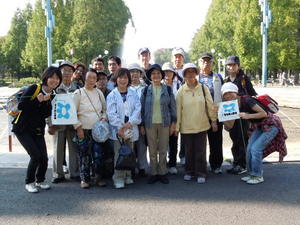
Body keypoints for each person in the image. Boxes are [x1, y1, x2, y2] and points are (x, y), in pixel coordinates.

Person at [221, 82, 287, 184]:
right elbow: (229, 124)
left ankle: (258, 175)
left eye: (230, 92)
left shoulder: (247, 100)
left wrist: (247, 116)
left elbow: (263, 113)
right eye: (225, 94)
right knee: (249, 149)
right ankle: (251, 173)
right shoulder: (233, 105)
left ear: (236, 92)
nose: (228, 95)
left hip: (271, 125)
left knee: (256, 149)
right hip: (260, 126)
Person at [12, 66, 62, 193]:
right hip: (23, 129)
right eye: (52, 77)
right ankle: (29, 182)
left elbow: (45, 114)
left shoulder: (53, 95)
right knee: (35, 156)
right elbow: (22, 105)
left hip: (38, 130)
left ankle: (40, 180)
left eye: (57, 78)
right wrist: (37, 100)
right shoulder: (35, 88)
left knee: (44, 157)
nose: (55, 81)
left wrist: (45, 103)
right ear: (46, 77)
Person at [176, 63, 217, 184]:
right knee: (188, 151)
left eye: (192, 72)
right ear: (184, 75)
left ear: (196, 73)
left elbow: (210, 105)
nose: (190, 74)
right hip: (187, 126)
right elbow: (178, 110)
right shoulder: (181, 91)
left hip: (202, 124)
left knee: (200, 150)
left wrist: (213, 120)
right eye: (187, 72)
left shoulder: (204, 88)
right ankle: (189, 171)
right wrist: (177, 127)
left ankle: (201, 172)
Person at [140, 64, 177, 184]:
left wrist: (173, 124)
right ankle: (153, 173)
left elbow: (173, 108)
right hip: (149, 123)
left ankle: (162, 172)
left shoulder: (168, 89)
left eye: (158, 73)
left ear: (161, 75)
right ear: (150, 76)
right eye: (153, 74)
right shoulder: (145, 90)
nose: (156, 76)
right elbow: (141, 109)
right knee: (152, 150)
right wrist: (141, 125)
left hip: (164, 123)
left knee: (162, 149)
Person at [106, 68, 141, 189]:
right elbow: (111, 113)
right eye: (120, 77)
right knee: (119, 153)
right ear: (116, 79)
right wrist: (120, 127)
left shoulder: (133, 93)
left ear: (128, 79)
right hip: (118, 130)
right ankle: (118, 178)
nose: (123, 80)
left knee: (129, 153)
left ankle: (127, 175)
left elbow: (138, 109)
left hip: (130, 127)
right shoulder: (112, 95)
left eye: (125, 77)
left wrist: (129, 123)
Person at [73, 68, 107, 189]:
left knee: (98, 155)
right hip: (83, 129)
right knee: (84, 155)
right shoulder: (78, 93)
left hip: (97, 130)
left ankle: (98, 177)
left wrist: (103, 118)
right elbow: (73, 113)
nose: (91, 80)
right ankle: (85, 179)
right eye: (89, 77)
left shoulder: (99, 93)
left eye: (94, 78)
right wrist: (78, 127)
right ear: (84, 78)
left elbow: (105, 109)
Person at [224, 55, 257, 175]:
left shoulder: (244, 78)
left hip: (242, 114)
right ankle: (237, 162)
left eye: (233, 64)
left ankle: (242, 164)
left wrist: (239, 98)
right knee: (234, 139)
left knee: (242, 139)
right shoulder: (226, 79)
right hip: (230, 114)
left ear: (238, 66)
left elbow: (252, 95)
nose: (231, 67)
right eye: (229, 65)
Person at [48, 61, 79, 183]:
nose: (66, 73)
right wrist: (50, 124)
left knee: (74, 149)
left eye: (69, 70)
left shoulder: (77, 87)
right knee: (57, 149)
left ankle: (74, 172)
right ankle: (58, 174)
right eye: (64, 70)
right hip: (58, 124)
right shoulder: (54, 88)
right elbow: (48, 108)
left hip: (73, 124)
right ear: (60, 72)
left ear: (73, 73)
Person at [198, 53, 224, 174]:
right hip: (200, 115)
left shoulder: (218, 77)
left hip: (216, 113)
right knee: (200, 142)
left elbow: (224, 93)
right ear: (200, 63)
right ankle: (200, 165)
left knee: (216, 141)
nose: (206, 63)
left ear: (212, 63)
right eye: (203, 61)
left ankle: (216, 165)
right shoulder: (196, 77)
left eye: (208, 61)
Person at [128, 63, 148, 177]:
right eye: (132, 71)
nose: (134, 74)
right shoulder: (125, 88)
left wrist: (143, 124)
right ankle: (130, 167)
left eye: (137, 71)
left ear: (141, 74)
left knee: (141, 146)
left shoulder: (145, 88)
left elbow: (146, 108)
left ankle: (142, 167)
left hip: (141, 122)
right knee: (129, 145)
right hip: (128, 122)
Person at [161, 62, 182, 174]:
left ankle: (173, 164)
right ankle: (163, 164)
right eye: (164, 72)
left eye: (169, 71)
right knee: (163, 143)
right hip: (162, 118)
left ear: (173, 73)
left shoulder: (179, 85)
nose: (167, 74)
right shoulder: (158, 85)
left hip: (175, 117)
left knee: (174, 141)